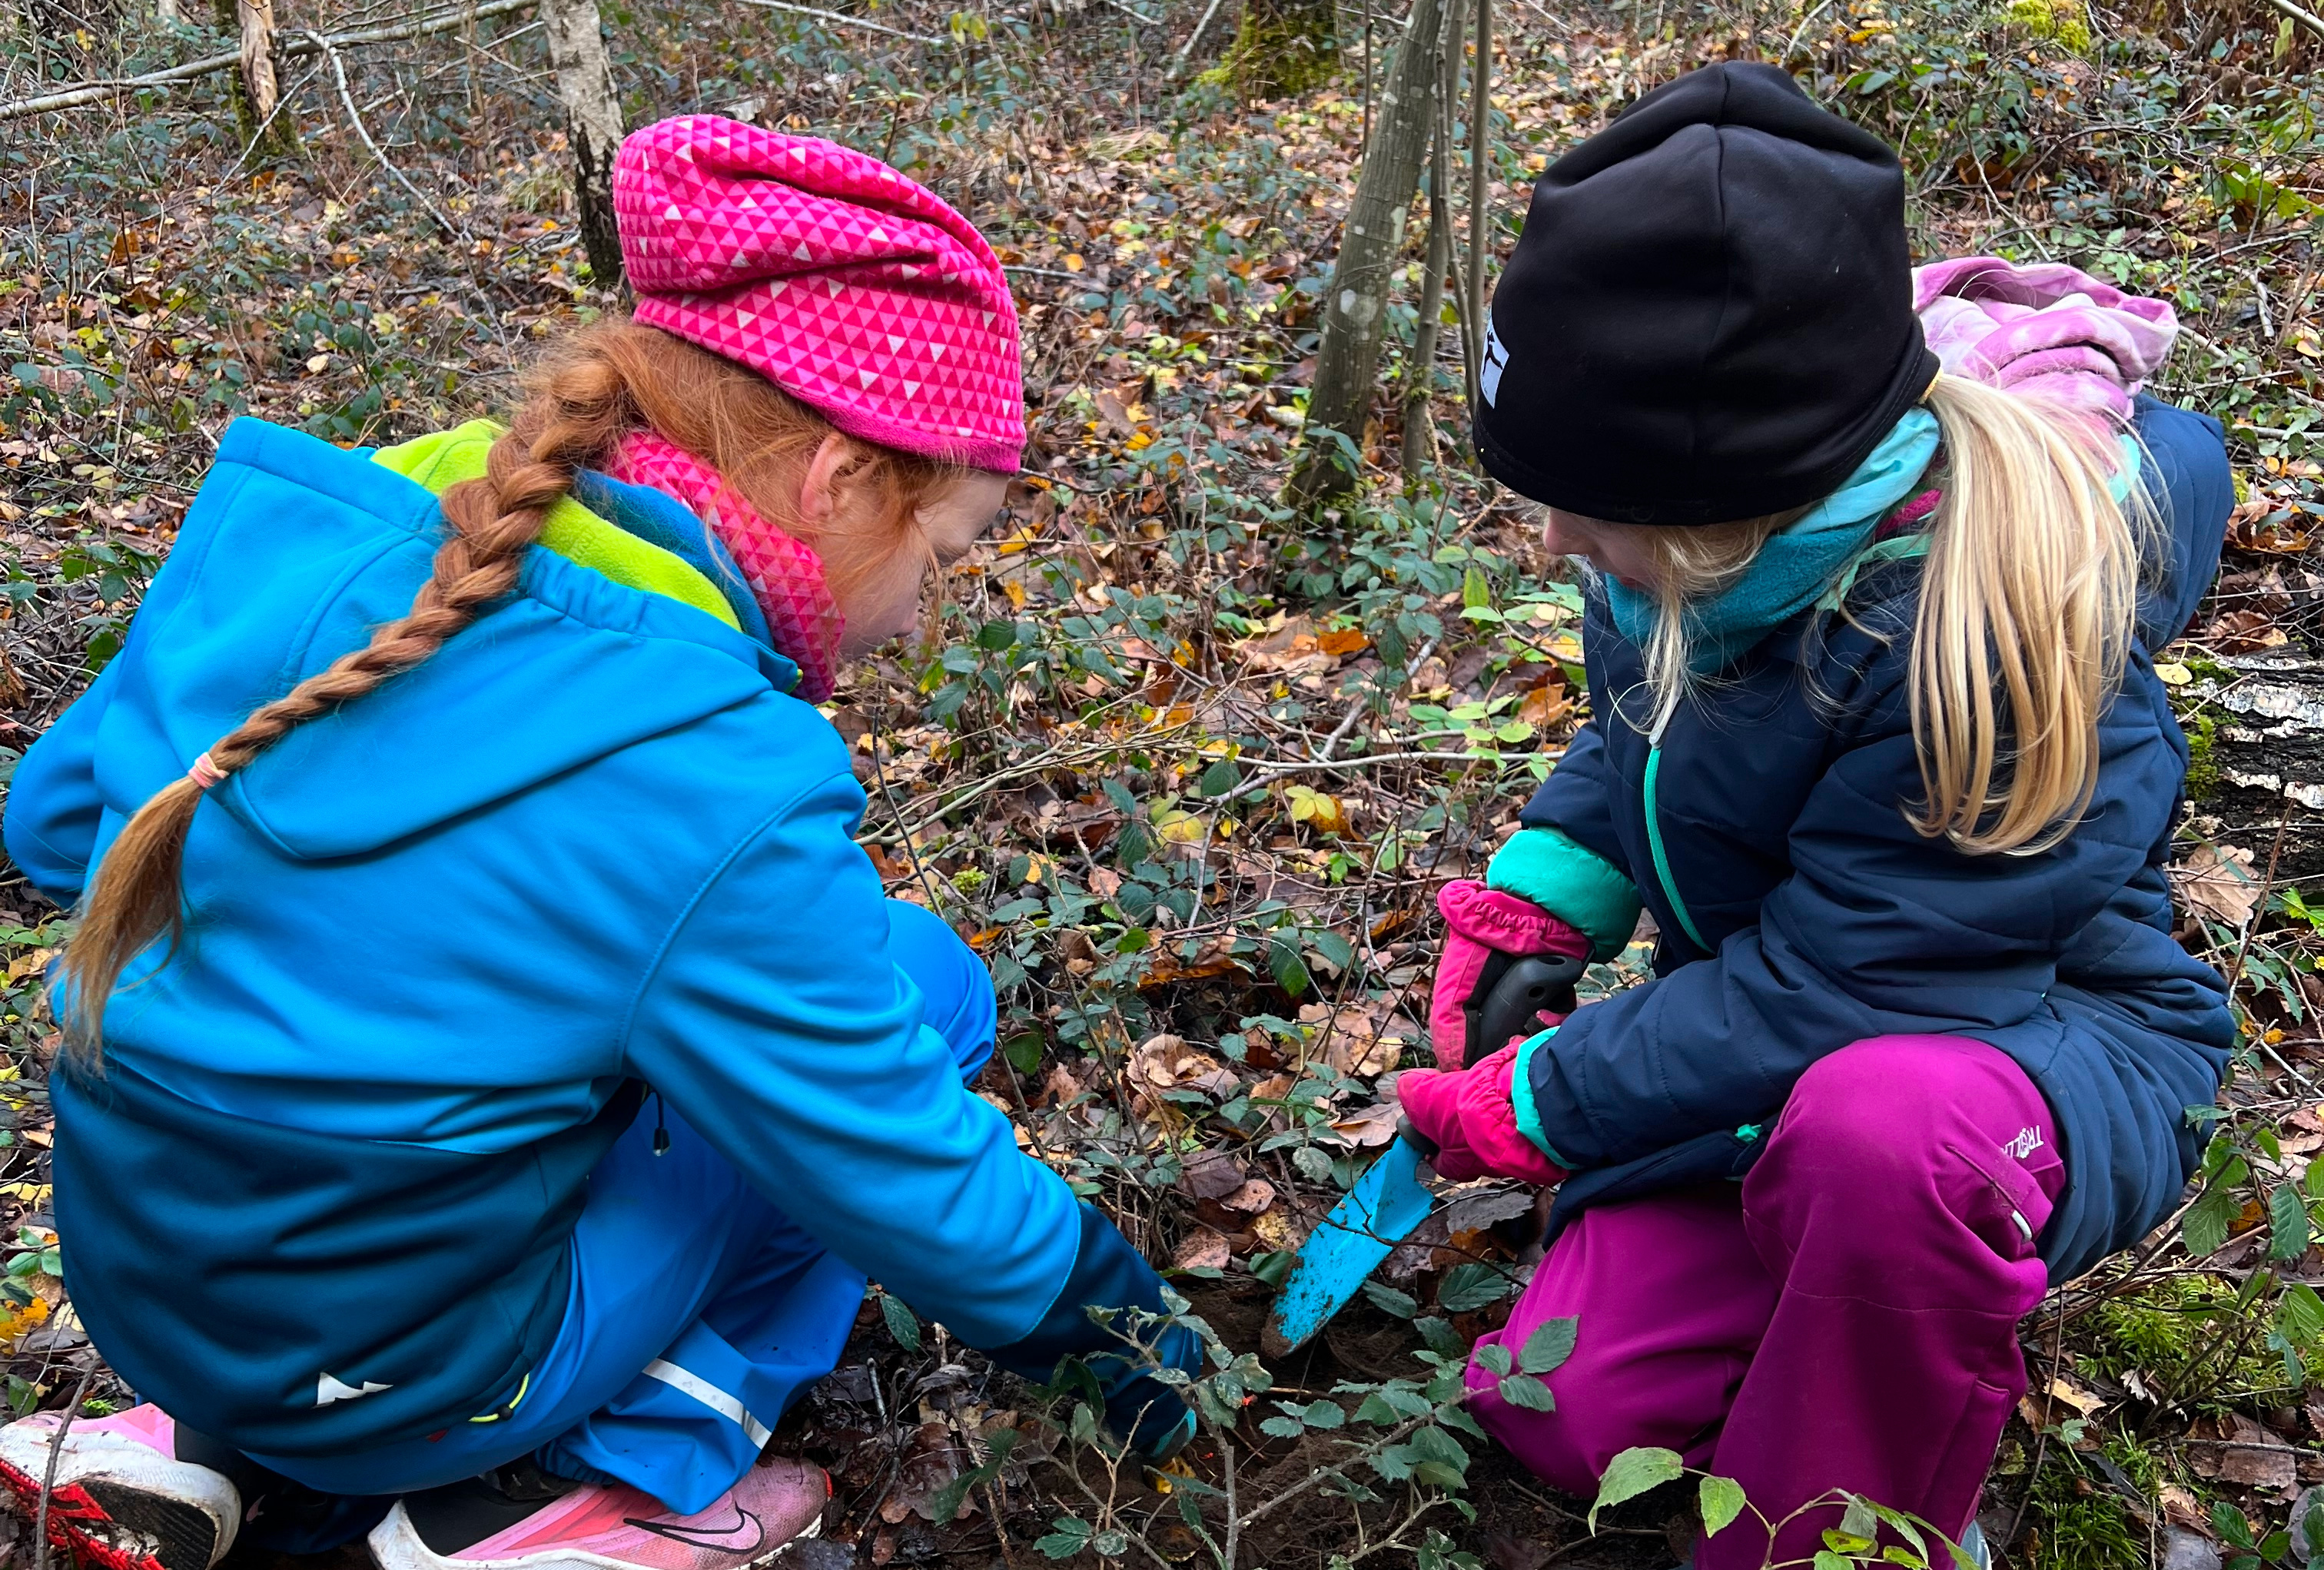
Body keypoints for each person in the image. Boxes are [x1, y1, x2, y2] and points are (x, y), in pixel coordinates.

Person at [0, 116, 1197, 1570]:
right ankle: (587, 1494)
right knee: (924, 991)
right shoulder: (716, 767)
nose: (920, 614)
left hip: (140, 1282)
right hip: (422, 1384)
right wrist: (1136, 1348)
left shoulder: (327, 513)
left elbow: (60, 825)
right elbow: (896, 1165)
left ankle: (208, 1442)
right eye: (936, 556)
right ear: (829, 483)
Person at [1394, 63, 2232, 1570]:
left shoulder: (1980, 640)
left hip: (2029, 1047)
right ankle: (1820, 1311)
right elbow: (1643, 723)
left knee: (1882, 1144)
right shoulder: (1694, 558)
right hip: (1779, 1061)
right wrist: (1553, 886)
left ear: (1736, 506)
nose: (1559, 539)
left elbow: (1852, 985)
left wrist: (1541, 1098)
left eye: (1589, 512)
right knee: (1566, 1410)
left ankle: (1832, 1531)